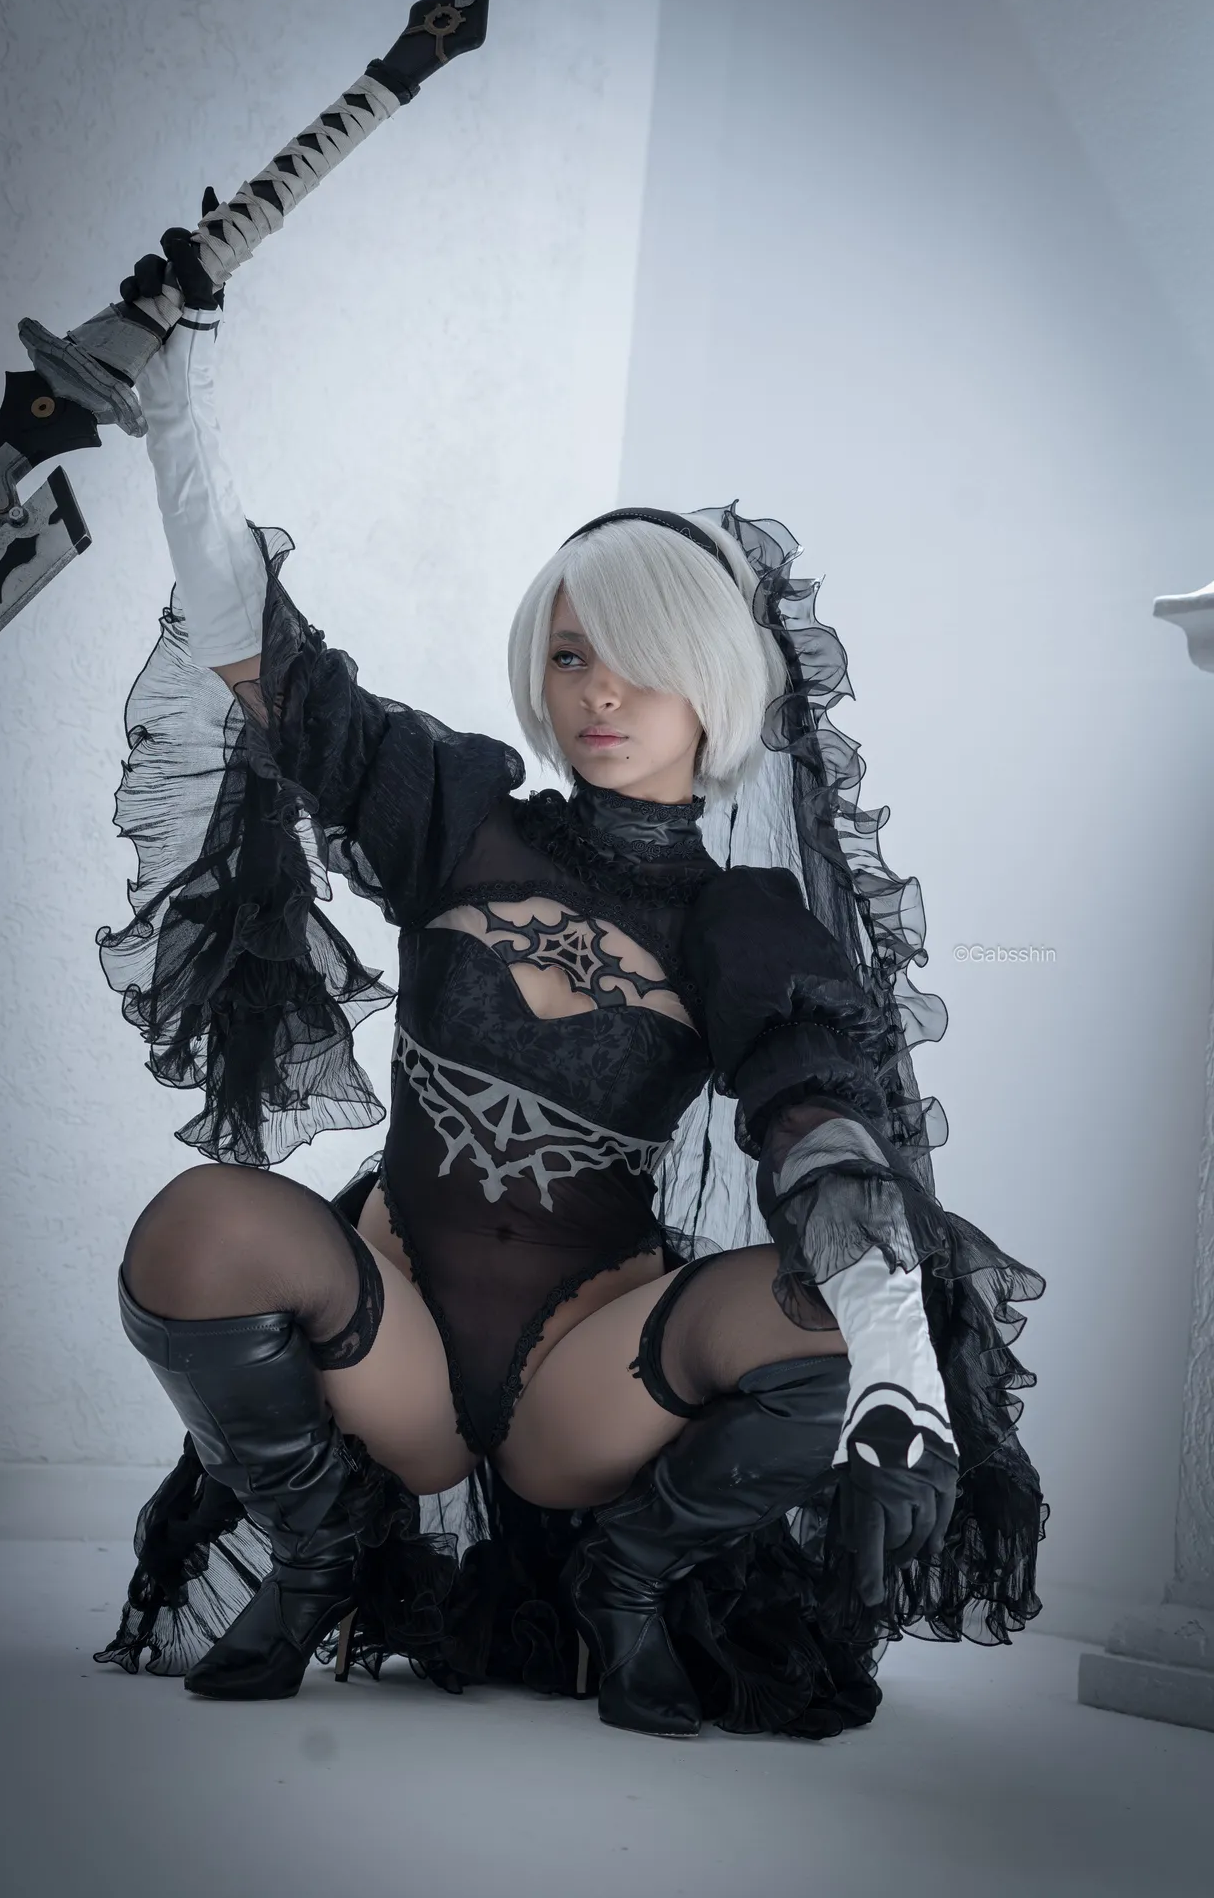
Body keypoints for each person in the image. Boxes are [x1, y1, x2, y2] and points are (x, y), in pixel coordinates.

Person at [93, 220, 1046, 1738]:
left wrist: (898, 1372)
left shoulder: (739, 922)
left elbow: (819, 1124)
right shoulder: (457, 816)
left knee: (839, 1311)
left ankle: (630, 1580)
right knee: (196, 1223)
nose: (599, 694)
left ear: (714, 680)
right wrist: (173, 405)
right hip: (393, 1330)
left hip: (589, 1375)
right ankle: (325, 1544)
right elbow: (263, 657)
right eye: (570, 656)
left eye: (640, 659)